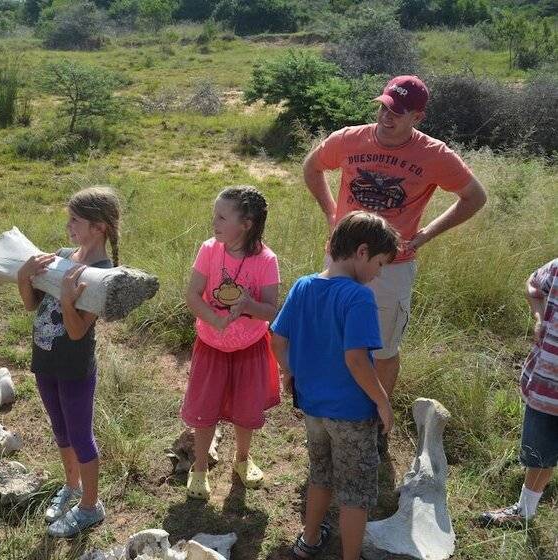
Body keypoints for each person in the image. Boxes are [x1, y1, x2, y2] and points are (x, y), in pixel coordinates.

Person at [302, 75, 487, 451]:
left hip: (392, 266)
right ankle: (330, 411)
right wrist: (332, 216)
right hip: (341, 259)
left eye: (398, 112)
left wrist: (425, 235)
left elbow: (474, 196)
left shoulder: (435, 155)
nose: (387, 116)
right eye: (384, 106)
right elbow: (312, 166)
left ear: (417, 116)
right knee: (333, 336)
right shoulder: (350, 138)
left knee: (383, 347)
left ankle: (374, 421)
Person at [270, 211, 400, 560]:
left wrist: (291, 372)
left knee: (320, 475)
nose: (379, 272)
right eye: (380, 263)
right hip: (353, 413)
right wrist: (383, 401)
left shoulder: (303, 285)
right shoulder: (358, 297)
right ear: (361, 252)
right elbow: (356, 359)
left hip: (313, 408)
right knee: (356, 492)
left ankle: (309, 540)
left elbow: (278, 339)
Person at [16, 186, 121, 538]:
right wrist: (23, 276)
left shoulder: (100, 275)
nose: (68, 225)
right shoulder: (63, 256)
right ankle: (72, 486)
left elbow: (77, 332)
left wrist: (65, 300)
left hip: (75, 368)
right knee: (60, 429)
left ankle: (91, 506)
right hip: (44, 361)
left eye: (76, 219)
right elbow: (32, 305)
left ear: (99, 227)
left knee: (80, 435)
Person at [181, 185, 281, 500]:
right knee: (204, 407)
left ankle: (242, 458)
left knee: (245, 407)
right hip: (211, 345)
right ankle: (199, 467)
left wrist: (249, 306)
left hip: (250, 349)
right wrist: (215, 320)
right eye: (215, 215)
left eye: (223, 217)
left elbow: (270, 309)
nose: (215, 223)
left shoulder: (266, 259)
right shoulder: (209, 249)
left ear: (246, 224)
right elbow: (193, 295)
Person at [479, 258, 557, 527]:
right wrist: (539, 318)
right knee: (539, 452)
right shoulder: (557, 269)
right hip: (547, 385)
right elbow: (533, 285)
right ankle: (525, 511)